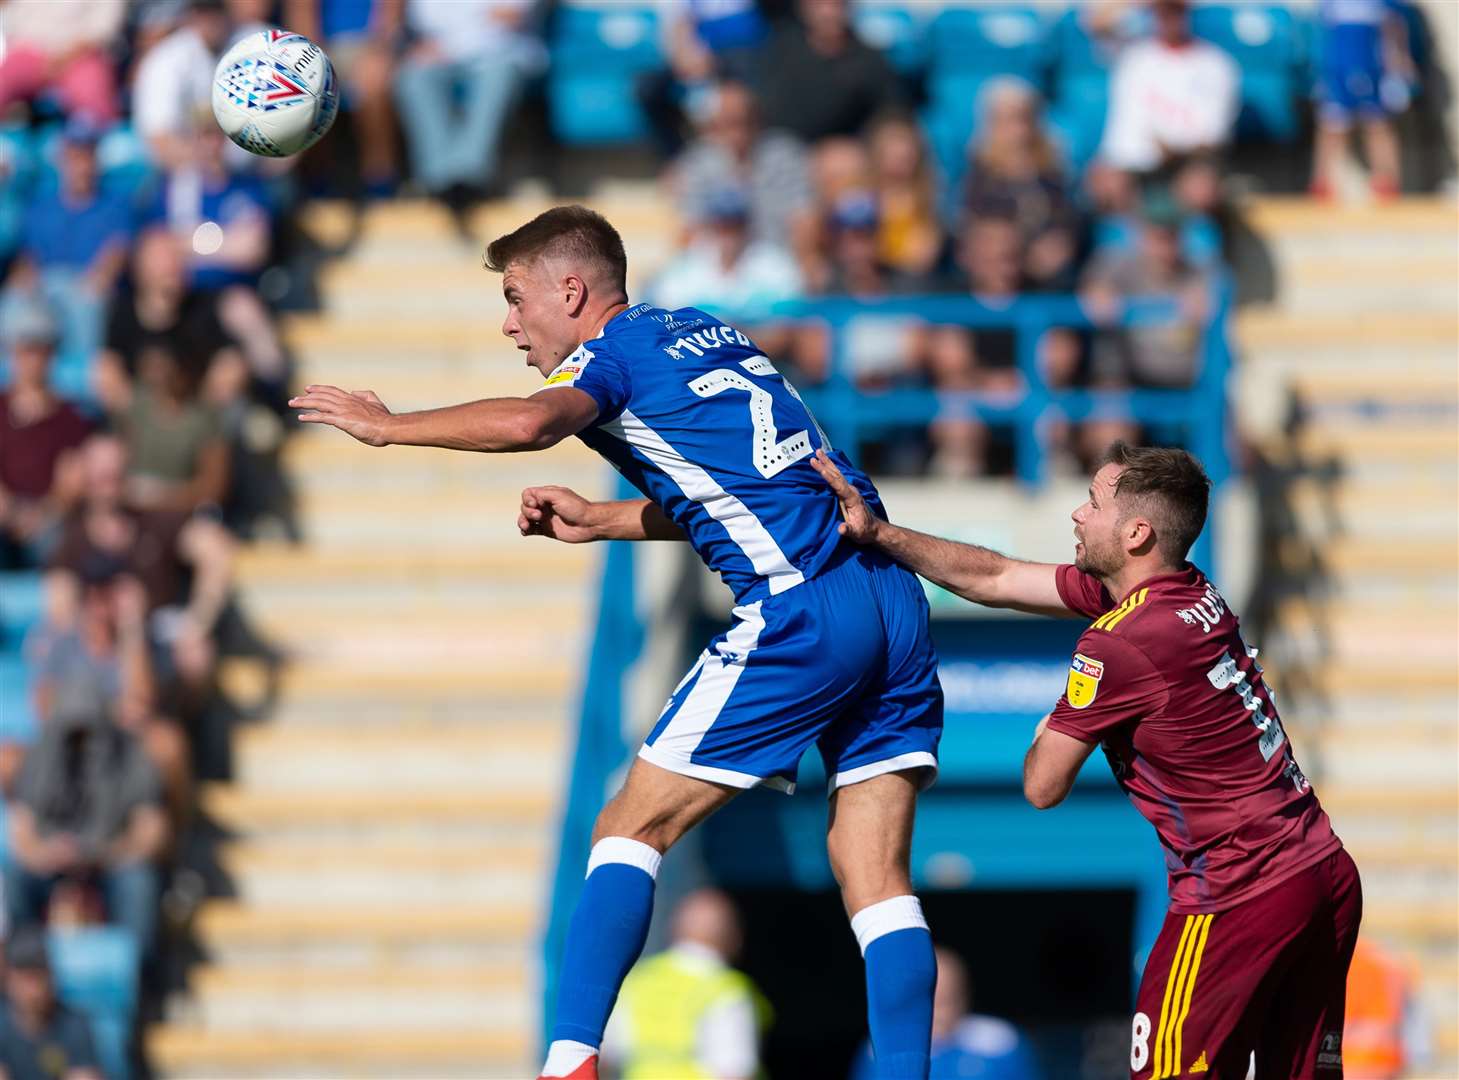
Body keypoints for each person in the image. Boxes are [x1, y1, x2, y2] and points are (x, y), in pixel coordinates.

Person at [289, 205, 945, 1080]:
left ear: (572, 288)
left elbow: (531, 424)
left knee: (627, 829)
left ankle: (568, 1064)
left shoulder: (607, 358)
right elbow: (744, 489)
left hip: (800, 607)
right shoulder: (706, 331)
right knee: (873, 873)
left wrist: (390, 424)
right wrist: (603, 519)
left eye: (517, 297)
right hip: (889, 594)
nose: (509, 322)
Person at [813, 442, 1363, 1080]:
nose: (1076, 513)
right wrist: (880, 534)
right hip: (1322, 871)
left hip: (1239, 889)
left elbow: (1041, 786)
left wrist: (1061, 712)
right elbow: (995, 577)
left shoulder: (1121, 641)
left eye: (1094, 502)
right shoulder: (1187, 589)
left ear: (1135, 532)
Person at [600, 889, 770, 1080]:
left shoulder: (637, 980)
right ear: (734, 938)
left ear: (674, 929)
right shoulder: (728, 990)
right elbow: (738, 1069)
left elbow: (604, 1056)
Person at [5, 118, 133, 363]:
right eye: (75, 157)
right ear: (62, 160)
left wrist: (97, 280)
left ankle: (80, 384)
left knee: (86, 305)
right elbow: (28, 257)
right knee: (14, 301)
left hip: (85, 287)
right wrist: (24, 280)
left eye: (87, 157)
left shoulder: (116, 205)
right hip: (46, 286)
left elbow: (117, 251)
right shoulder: (41, 206)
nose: (81, 166)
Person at [393, 0, 543, 203]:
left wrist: (454, 40)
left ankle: (469, 179)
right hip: (441, 55)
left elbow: (512, 16)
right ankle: (439, 181)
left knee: (497, 78)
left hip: (501, 54)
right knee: (413, 78)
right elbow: (425, 21)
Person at [672, 81, 815, 259]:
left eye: (745, 122)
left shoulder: (784, 155)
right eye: (729, 124)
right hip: (719, 264)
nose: (738, 133)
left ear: (758, 121)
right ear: (713, 126)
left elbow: (803, 219)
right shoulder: (699, 163)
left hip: (777, 259)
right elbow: (691, 228)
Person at [851, 948, 1042, 1080]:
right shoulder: (880, 1047)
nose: (937, 1014)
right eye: (929, 1002)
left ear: (964, 997)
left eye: (946, 1000)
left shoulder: (999, 1042)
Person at [0, 303, 94, 569]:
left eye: (42, 349)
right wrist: (10, 512)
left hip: (47, 521)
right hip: (5, 513)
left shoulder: (71, 419)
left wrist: (41, 514)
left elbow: (70, 482)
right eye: (26, 349)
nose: (33, 358)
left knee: (60, 540)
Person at [1099, 0, 1238, 178]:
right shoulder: (1131, 54)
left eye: (1175, 11)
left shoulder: (1215, 63)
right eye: (1161, 11)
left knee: (1201, 184)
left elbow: (1212, 138)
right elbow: (1095, 23)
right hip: (1128, 164)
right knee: (1105, 179)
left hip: (1185, 163)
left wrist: (1173, 149)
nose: (1169, 18)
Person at [755, 0, 903, 144]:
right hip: (789, 149)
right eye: (819, 5)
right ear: (803, 8)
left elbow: (888, 115)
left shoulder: (870, 59)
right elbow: (770, 112)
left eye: (836, 4)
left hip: (848, 151)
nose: (829, 13)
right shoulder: (781, 50)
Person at [1309, 0, 1413, 202]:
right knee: (1332, 125)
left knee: (1377, 124)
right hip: (1338, 68)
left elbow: (1394, 29)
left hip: (1372, 68)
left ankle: (1387, 183)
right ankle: (1322, 183)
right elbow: (1321, 33)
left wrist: (1399, 65)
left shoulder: (1384, 4)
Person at [0, 925, 104, 1080]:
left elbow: (85, 1074)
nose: (34, 990)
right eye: (26, 979)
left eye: (39, 977)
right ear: (9, 981)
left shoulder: (74, 1024)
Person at [0, 0, 124, 126]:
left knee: (93, 101)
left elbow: (102, 31)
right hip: (27, 50)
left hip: (81, 56)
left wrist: (62, 60)